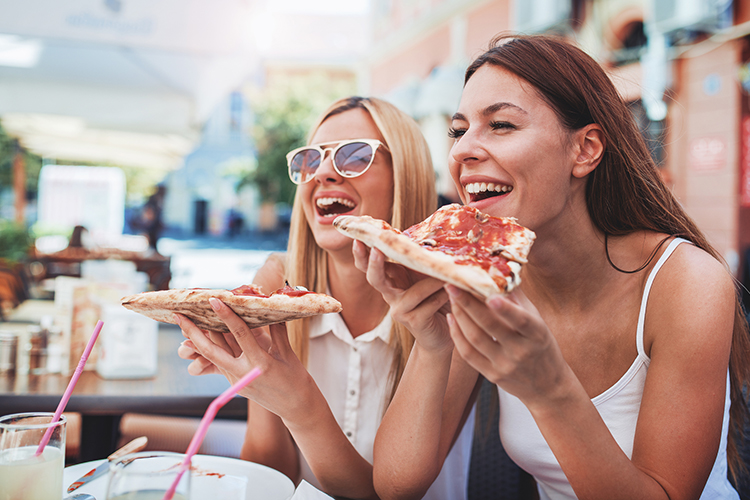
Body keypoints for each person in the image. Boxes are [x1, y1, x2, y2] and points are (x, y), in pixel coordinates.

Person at [355, 34, 750, 500]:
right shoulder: (480, 280)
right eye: (459, 131)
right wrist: (433, 342)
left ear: (585, 150)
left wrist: (550, 390)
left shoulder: (687, 282)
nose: (462, 152)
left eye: (500, 125)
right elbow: (397, 485)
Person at [176, 96, 477, 499]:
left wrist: (300, 405)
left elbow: (392, 495)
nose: (324, 173)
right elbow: (267, 478)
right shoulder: (274, 284)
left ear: (406, 175)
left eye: (355, 156)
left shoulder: (454, 302)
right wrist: (256, 386)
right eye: (310, 160)